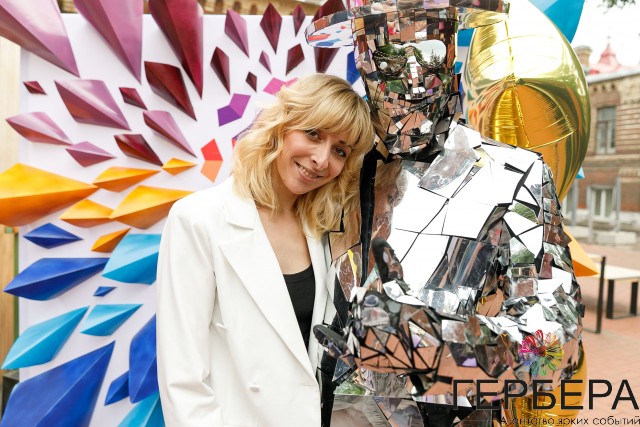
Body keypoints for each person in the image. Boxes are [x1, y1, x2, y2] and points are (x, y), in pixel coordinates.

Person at [306, 2, 585, 426]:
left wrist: (429, 343)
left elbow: (556, 347)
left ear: (453, 52)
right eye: (390, 57)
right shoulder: (332, 170)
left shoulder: (513, 175)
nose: (413, 76)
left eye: (431, 52)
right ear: (362, 62)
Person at [156, 73, 374, 427]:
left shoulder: (325, 233)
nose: (321, 159)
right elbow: (183, 381)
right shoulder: (199, 218)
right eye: (313, 133)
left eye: (340, 150)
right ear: (282, 125)